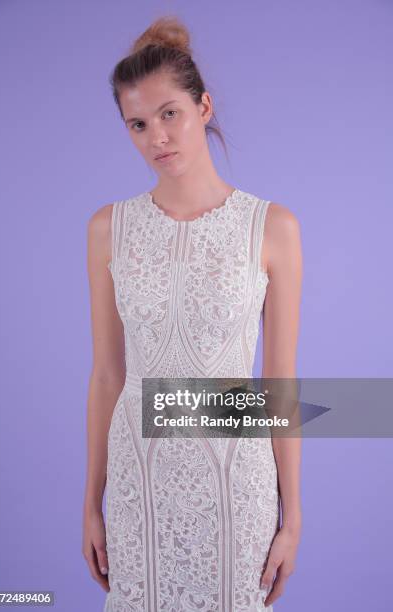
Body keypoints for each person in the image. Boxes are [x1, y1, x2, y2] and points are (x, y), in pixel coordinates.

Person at [82, 15, 303, 612]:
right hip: (138, 488)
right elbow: (108, 375)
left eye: (170, 113)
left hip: (237, 486)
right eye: (138, 123)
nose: (157, 136)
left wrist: (293, 517)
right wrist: (91, 503)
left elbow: (277, 387)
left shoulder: (271, 227)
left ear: (204, 107)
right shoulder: (109, 230)